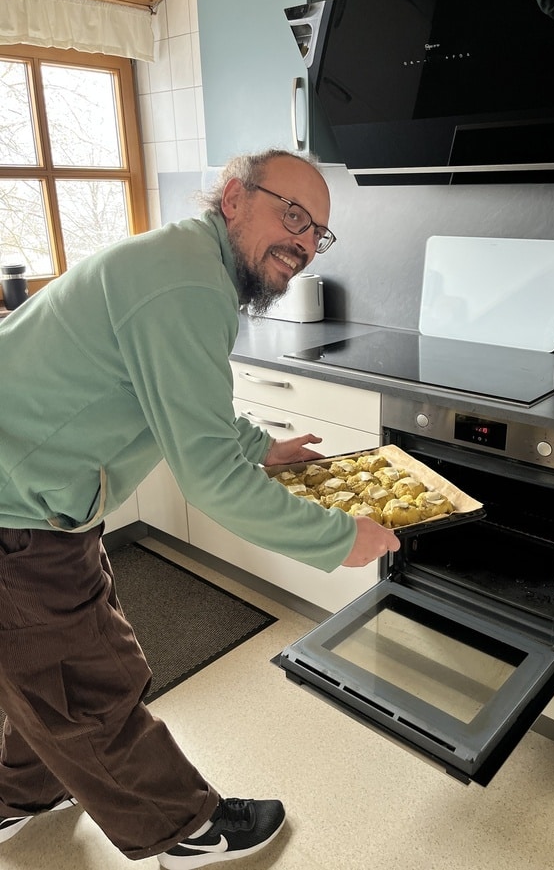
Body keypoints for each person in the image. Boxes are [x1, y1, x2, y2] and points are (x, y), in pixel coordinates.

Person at [0, 149, 400, 868]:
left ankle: (16, 795)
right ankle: (182, 830)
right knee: (85, 683)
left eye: (318, 234)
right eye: (293, 214)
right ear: (232, 196)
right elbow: (209, 477)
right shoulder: (187, 281)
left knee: (44, 669)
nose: (305, 243)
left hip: (37, 495)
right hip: (16, 514)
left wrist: (263, 447)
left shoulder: (188, 265)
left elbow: (178, 405)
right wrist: (338, 536)